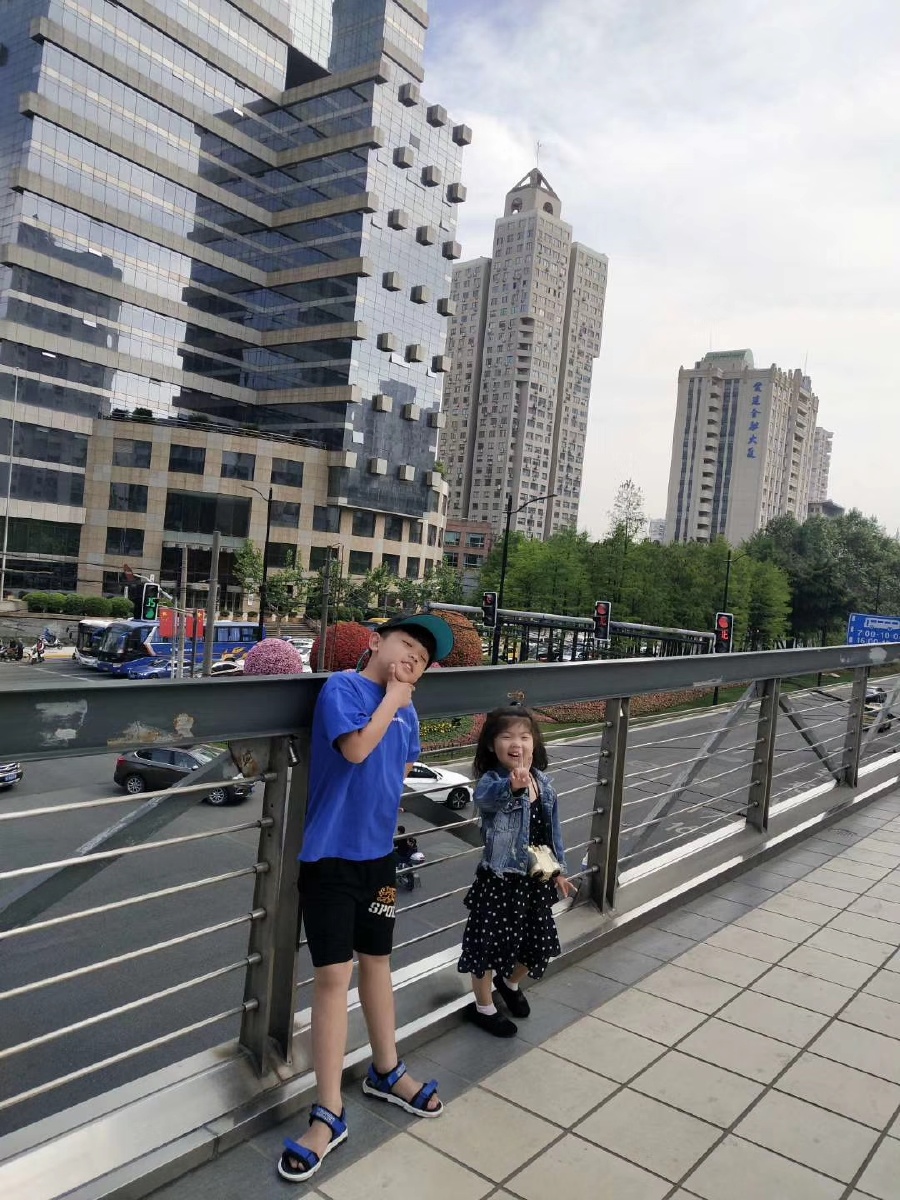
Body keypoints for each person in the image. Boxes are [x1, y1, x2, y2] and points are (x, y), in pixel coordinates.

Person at [277, 611, 454, 1185]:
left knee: (378, 961)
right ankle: (328, 1110)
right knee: (334, 976)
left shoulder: (408, 713)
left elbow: (398, 768)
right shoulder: (343, 689)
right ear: (376, 642)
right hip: (329, 857)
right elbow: (354, 750)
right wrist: (395, 698)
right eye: (406, 646)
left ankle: (386, 1069)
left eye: (422, 660)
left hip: (377, 857)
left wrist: (402, 704)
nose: (413, 660)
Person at [458, 703, 575, 1037]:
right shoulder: (492, 782)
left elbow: (552, 831)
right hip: (499, 880)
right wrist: (513, 787)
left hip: (534, 882)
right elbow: (487, 800)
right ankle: (483, 1007)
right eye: (506, 736)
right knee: (485, 947)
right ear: (491, 744)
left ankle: (508, 983)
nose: (517, 743)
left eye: (524, 736)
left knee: (540, 943)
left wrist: (559, 871)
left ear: (534, 743)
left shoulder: (544, 784)